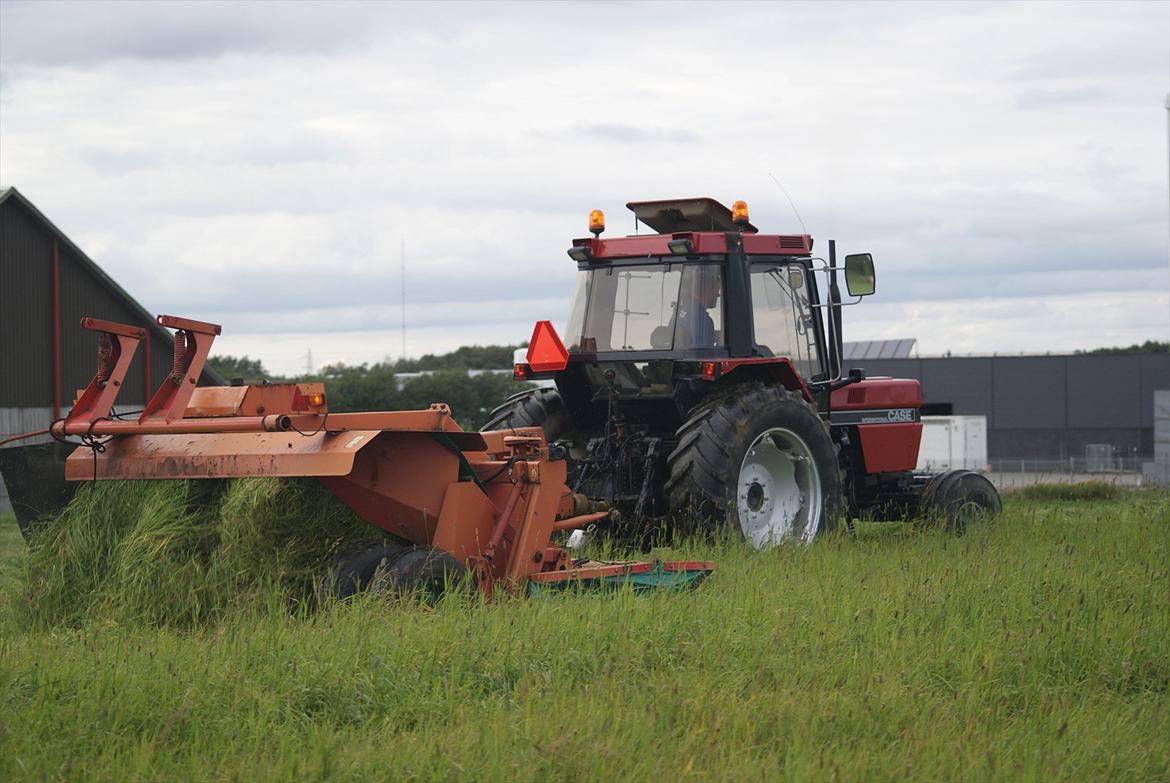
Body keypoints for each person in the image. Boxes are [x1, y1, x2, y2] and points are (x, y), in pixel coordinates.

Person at [674, 266, 722, 348]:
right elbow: (705, 355)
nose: (718, 295)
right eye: (717, 290)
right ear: (707, 289)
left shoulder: (678, 314)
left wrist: (713, 336)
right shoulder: (704, 322)